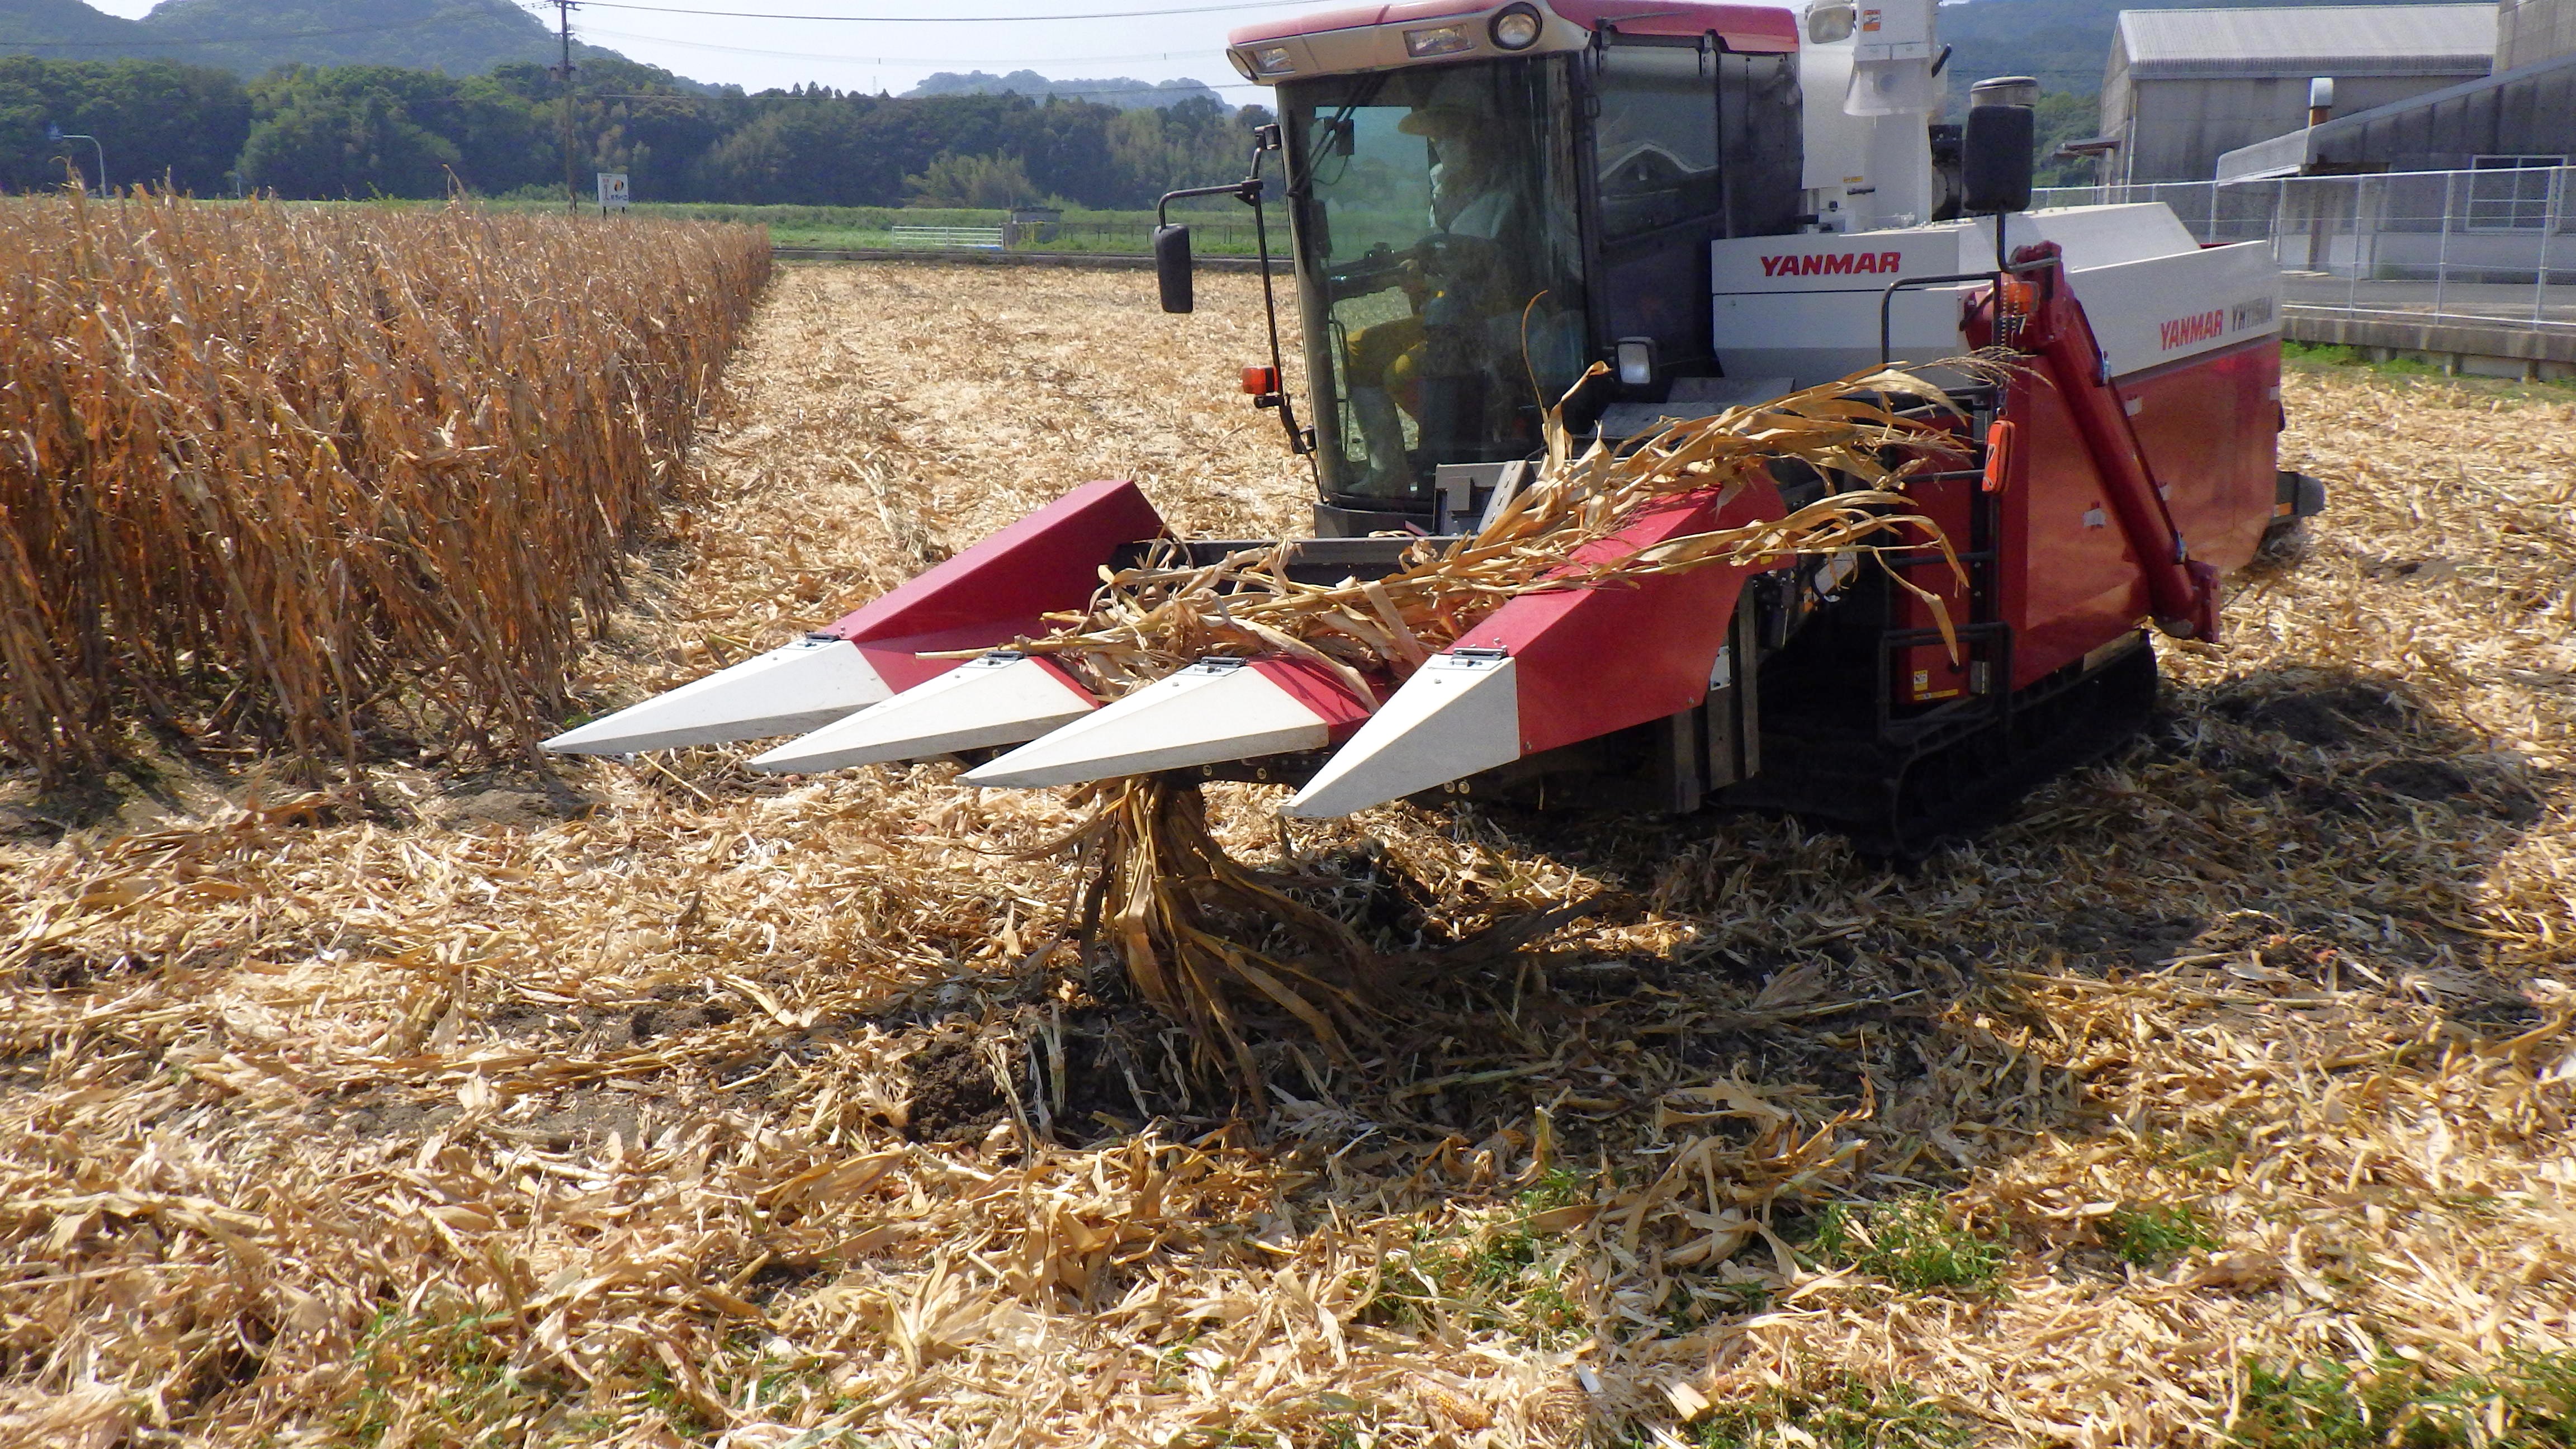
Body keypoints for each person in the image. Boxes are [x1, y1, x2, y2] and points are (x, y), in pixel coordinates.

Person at [1343, 95, 1526, 495]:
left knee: (1404, 373)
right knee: (1358, 348)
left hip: (1500, 322)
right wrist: (1418, 275)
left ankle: (1453, 460)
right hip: (1449, 317)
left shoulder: (1511, 195)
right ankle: (1388, 470)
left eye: (1451, 134)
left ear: (1478, 138)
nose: (1440, 145)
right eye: (1436, 137)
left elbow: (1504, 269)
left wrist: (1441, 266)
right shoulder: (1442, 190)